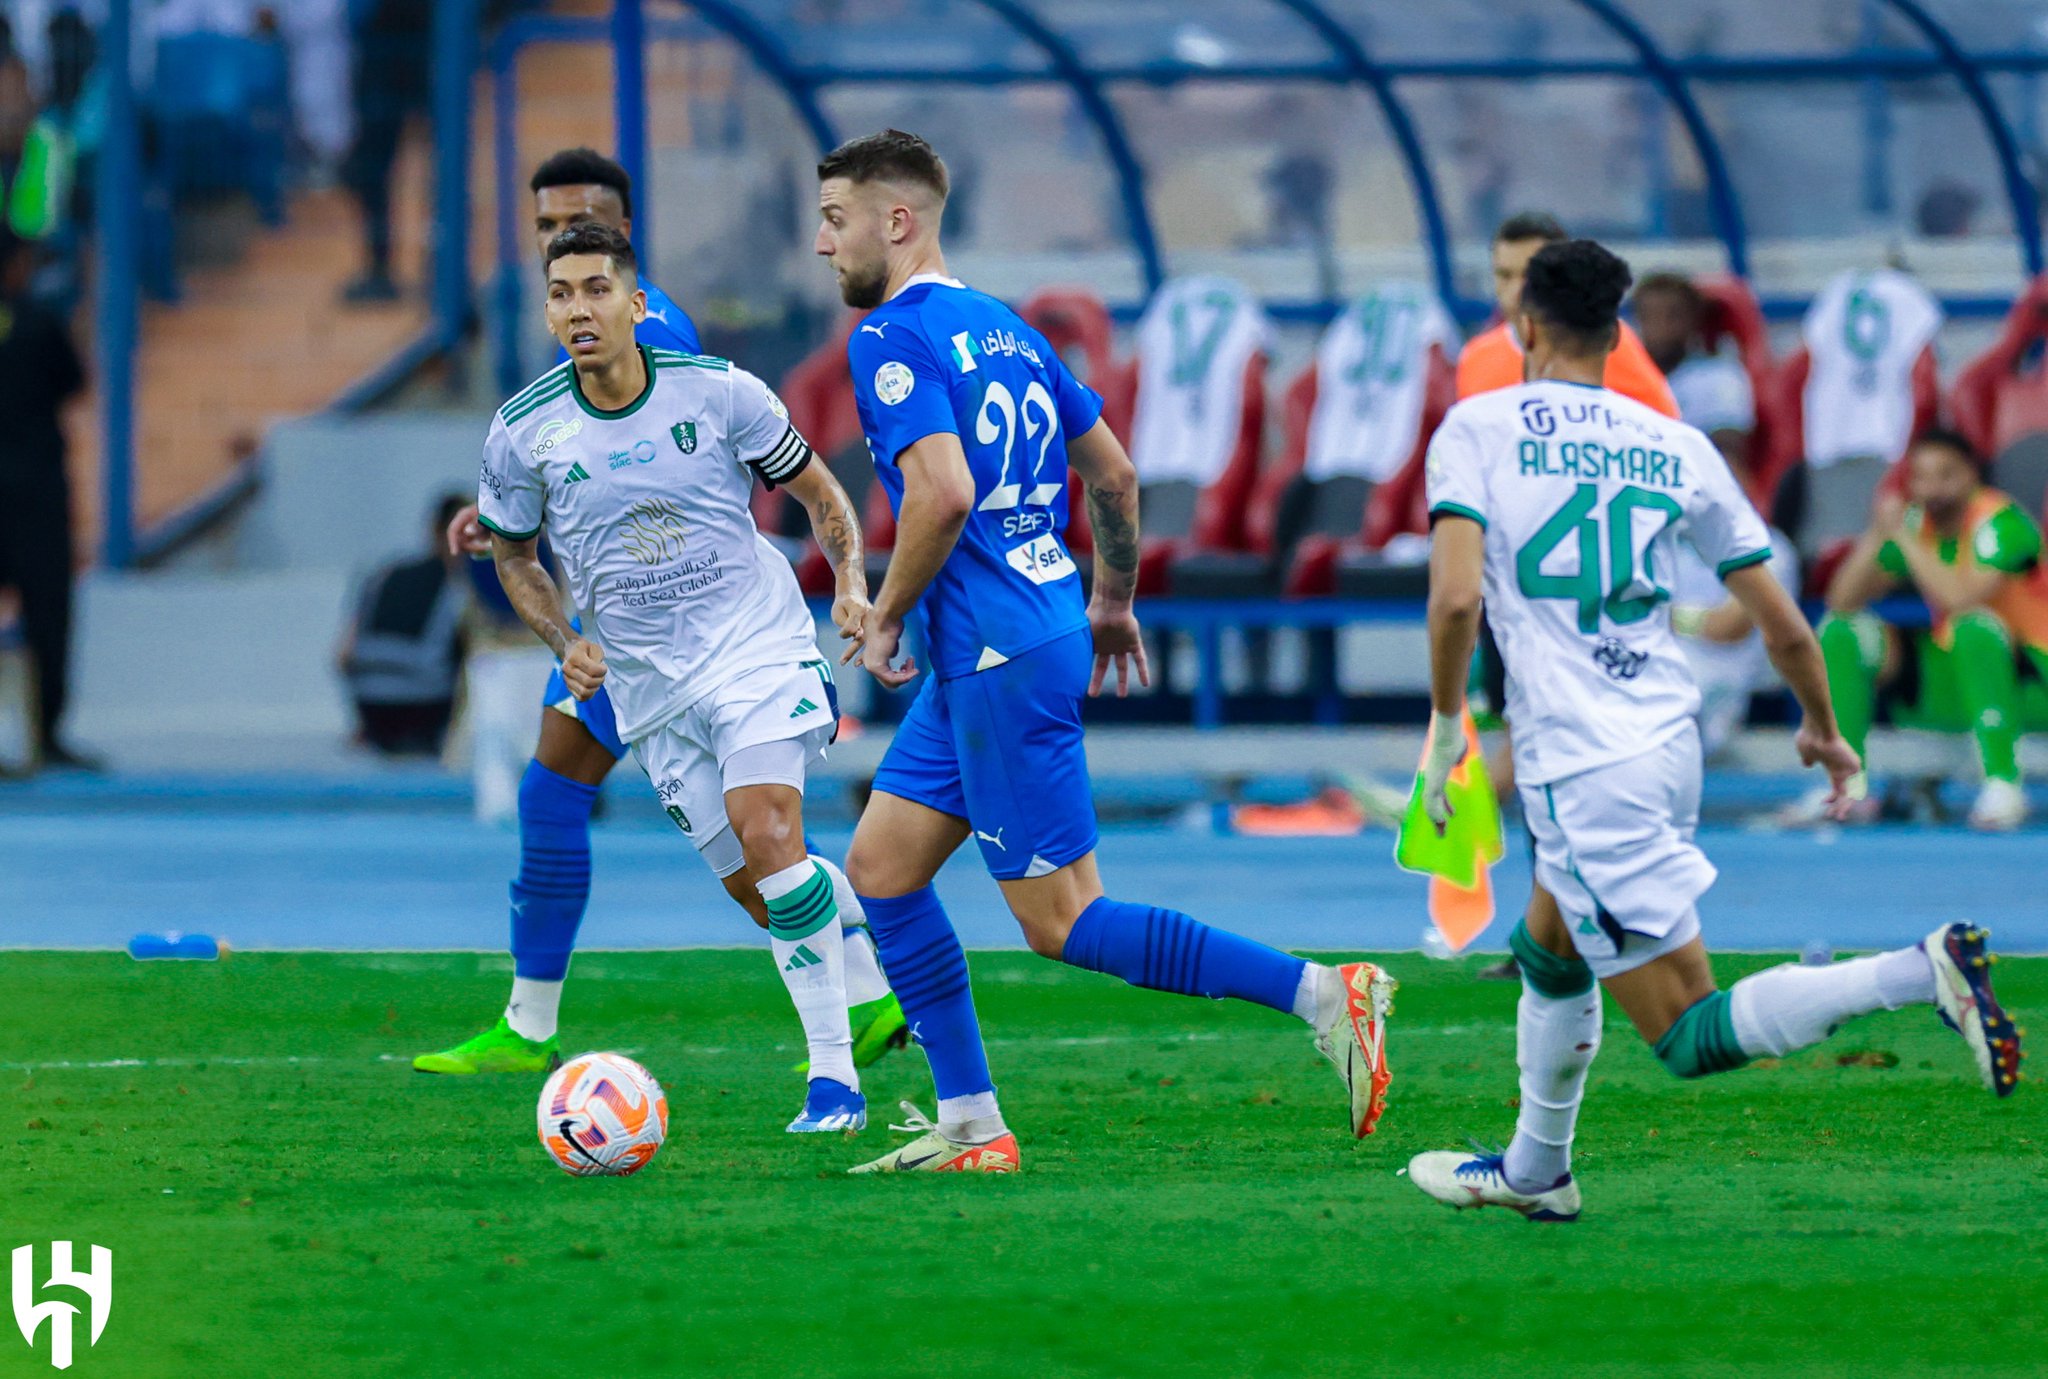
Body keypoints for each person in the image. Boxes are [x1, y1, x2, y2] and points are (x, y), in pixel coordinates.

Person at [814, 130, 1395, 1176]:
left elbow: (942, 494)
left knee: (1065, 920)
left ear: (894, 221)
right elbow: (1114, 476)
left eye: (834, 218)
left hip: (991, 651)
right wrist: (1111, 596)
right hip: (1019, 635)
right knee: (881, 868)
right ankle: (970, 1122)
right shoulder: (1004, 327)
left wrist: (885, 610)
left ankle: (1320, 991)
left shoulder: (889, 337)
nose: (822, 243)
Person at [1405, 239, 2020, 1221]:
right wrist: (1821, 727)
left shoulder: (1475, 427)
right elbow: (1781, 620)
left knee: (1686, 1033)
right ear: (1616, 332)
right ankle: (1533, 1168)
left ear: (1522, 323)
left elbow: (1448, 602)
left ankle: (1918, 965)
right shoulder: (1671, 440)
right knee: (1549, 946)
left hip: (1578, 755)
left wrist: (1446, 725)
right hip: (1662, 734)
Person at [416, 149, 906, 1088]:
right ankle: (863, 979)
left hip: (722, 633)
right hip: (626, 643)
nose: (560, 240)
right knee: (732, 864)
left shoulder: (667, 338)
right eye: (545, 228)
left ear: (625, 245)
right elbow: (570, 473)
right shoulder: (546, 381)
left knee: (709, 826)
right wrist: (507, 521)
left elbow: (697, 461)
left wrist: (845, 579)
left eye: (580, 219)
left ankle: (830, 1055)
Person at [1807, 428, 2048, 831]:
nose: (1931, 487)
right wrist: (1876, 535)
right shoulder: (1918, 526)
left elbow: (1959, 599)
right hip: (1955, 690)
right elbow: (1840, 600)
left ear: (1972, 474)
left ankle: (2003, 784)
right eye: (1920, 477)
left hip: (2031, 687)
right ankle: (1847, 782)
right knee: (1841, 631)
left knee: (1973, 626)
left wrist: (1903, 536)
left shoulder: (2001, 522)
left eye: (1945, 475)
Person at [1634, 271, 1798, 757]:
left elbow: (1728, 628)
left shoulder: (1764, 544)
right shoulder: (1656, 540)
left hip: (1707, 680)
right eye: (1649, 316)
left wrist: (1662, 618)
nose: (1659, 327)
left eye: (1672, 316)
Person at [0, 227, 88, 770]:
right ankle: (45, 734)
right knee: (48, 616)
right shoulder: (36, 321)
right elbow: (74, 382)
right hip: (33, 492)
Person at [338, 493, 470, 756]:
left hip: (371, 708)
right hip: (424, 709)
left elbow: (342, 656)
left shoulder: (384, 574)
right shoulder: (461, 586)